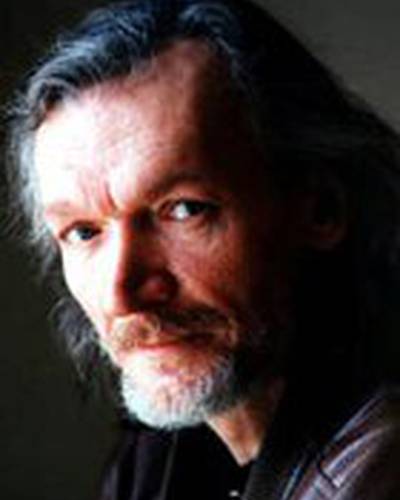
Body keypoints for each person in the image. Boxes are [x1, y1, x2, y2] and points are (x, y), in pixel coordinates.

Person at [6, 0, 400, 498]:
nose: (121, 292)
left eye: (184, 210)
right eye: (84, 232)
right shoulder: (159, 453)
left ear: (320, 208)